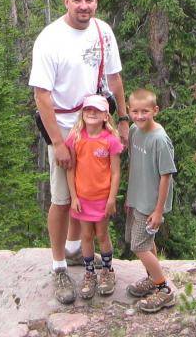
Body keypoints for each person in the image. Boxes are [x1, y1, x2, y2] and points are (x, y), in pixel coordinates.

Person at [30, 0, 130, 305]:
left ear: (96, 1)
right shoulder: (50, 39)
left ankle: (75, 250)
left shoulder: (103, 32)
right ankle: (59, 265)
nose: (83, 6)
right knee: (62, 197)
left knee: (87, 190)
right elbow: (42, 95)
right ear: (66, 1)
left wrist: (124, 119)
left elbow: (114, 78)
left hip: (94, 122)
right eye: (77, 1)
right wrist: (58, 143)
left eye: (89, 0)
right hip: (61, 124)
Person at [123, 88, 177, 312]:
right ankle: (151, 278)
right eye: (135, 111)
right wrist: (130, 197)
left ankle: (163, 288)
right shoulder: (135, 131)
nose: (139, 115)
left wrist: (158, 210)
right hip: (138, 198)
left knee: (138, 245)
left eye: (145, 111)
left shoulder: (160, 140)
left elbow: (166, 177)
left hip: (151, 204)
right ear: (129, 110)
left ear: (155, 110)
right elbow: (136, 167)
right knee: (146, 243)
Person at [65, 94, 123, 300]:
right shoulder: (76, 138)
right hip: (82, 198)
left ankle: (107, 271)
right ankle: (90, 273)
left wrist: (111, 199)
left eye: (96, 111)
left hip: (102, 198)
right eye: (88, 109)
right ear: (83, 113)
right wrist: (73, 197)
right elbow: (70, 169)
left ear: (105, 116)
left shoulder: (110, 141)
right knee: (86, 236)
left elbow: (115, 172)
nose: (91, 113)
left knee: (102, 235)